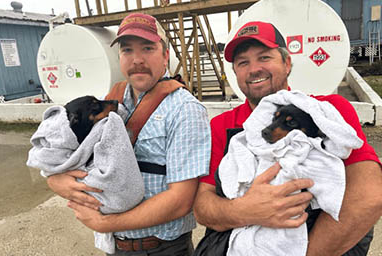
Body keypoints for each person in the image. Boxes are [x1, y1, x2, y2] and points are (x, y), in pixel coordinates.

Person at [193, 21, 382, 255]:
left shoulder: (329, 110)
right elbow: (203, 208)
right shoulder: (221, 126)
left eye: (264, 57)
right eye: (243, 62)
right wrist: (246, 210)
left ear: (287, 62)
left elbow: (369, 195)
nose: (254, 69)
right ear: (235, 73)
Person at [46, 13, 211, 256]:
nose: (137, 60)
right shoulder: (113, 98)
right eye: (127, 50)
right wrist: (56, 180)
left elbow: (180, 201)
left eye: (147, 48)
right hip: (115, 246)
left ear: (165, 55)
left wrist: (105, 223)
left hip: (162, 249)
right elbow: (69, 152)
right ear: (120, 57)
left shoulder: (185, 110)